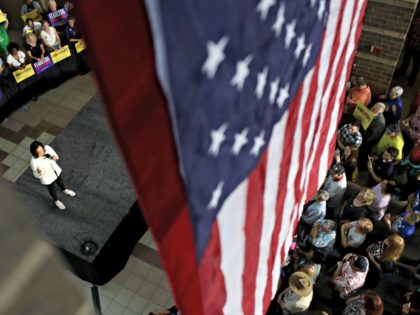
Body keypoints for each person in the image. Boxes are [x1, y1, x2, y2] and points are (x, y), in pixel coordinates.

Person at [29, 141, 76, 210]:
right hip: (47, 177)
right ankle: (56, 201)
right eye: (39, 152)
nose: (42, 152)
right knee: (51, 189)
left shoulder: (47, 148)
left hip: (55, 171)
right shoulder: (33, 162)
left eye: (42, 149)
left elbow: (55, 156)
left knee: (60, 181)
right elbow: (35, 174)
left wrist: (55, 157)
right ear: (34, 153)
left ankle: (65, 190)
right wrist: (39, 173)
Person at [395, 17, 420, 86]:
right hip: (410, 44)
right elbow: (411, 31)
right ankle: (402, 72)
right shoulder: (417, 20)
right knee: (405, 60)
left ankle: (412, 80)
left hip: (418, 50)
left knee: (416, 66)